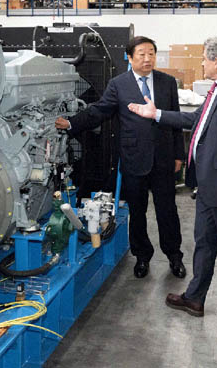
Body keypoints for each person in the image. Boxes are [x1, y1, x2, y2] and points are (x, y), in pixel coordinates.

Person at [127, 35, 217, 321]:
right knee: (204, 241)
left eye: (204, 58)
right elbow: (194, 121)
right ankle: (195, 297)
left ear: (216, 61)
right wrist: (156, 114)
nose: (202, 63)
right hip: (208, 183)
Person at [55, 36, 185, 279]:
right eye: (142, 54)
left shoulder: (167, 82)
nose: (147, 59)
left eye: (151, 53)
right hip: (134, 157)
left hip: (164, 158)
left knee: (168, 211)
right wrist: (72, 123)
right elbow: (99, 110)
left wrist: (179, 154)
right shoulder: (119, 84)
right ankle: (142, 256)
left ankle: (174, 256)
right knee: (137, 210)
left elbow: (175, 118)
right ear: (130, 57)